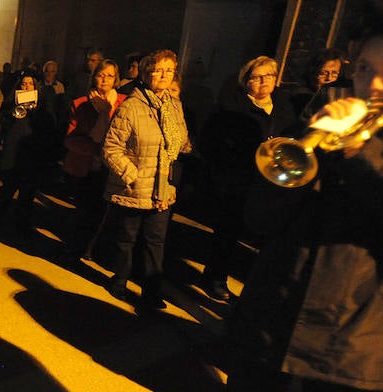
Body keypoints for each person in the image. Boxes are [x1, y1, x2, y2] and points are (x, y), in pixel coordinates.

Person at [163, 3, 383, 392]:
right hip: (281, 304)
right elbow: (261, 218)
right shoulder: (326, 115)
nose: (372, 84)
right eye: (364, 69)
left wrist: (363, 153)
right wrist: (306, 153)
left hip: (365, 333)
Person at [197, 55, 299, 302]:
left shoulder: (285, 106)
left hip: (271, 183)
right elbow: (209, 142)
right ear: (246, 81)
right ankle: (215, 278)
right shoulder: (231, 106)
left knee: (263, 235)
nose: (264, 81)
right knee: (228, 232)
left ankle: (254, 284)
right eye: (257, 77)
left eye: (269, 76)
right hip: (238, 180)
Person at [102, 50, 191, 310]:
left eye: (169, 70)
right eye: (158, 70)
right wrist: (131, 175)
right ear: (146, 73)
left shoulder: (174, 106)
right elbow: (111, 148)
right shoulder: (131, 106)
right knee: (127, 238)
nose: (164, 75)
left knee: (155, 241)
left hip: (163, 186)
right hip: (134, 187)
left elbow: (182, 143)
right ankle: (119, 280)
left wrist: (172, 176)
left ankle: (152, 292)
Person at [63, 59, 127, 261]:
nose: (105, 79)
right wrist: (95, 150)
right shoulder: (80, 104)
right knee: (84, 212)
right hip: (87, 166)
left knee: (106, 215)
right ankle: (76, 250)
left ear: (116, 79)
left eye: (110, 75)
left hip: (112, 167)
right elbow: (70, 139)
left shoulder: (124, 103)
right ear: (94, 77)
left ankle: (95, 250)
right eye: (101, 74)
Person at [0, 71, 62, 237]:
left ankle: (21, 224)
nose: (26, 86)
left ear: (35, 86)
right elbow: (2, 119)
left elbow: (50, 124)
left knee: (27, 191)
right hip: (13, 149)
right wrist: (12, 113)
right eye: (23, 84)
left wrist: (35, 113)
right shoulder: (11, 101)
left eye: (30, 84)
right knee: (8, 187)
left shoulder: (42, 104)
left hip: (32, 152)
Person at [292, 48, 352, 123]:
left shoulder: (338, 93)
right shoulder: (301, 97)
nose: (329, 78)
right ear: (312, 72)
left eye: (334, 73)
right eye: (323, 73)